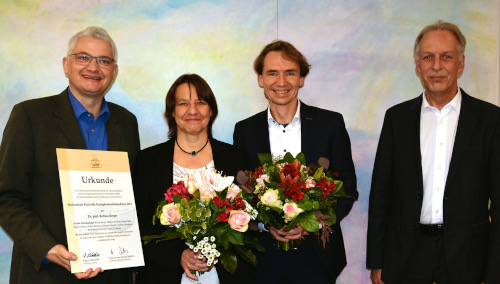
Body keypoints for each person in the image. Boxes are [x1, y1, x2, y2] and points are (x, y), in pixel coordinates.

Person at [0, 27, 140, 283]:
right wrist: (48, 249)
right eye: (83, 57)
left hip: (113, 275)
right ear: (67, 65)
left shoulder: (127, 122)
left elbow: (133, 195)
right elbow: (6, 197)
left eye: (104, 61)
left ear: (114, 71)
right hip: (46, 274)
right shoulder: (29, 116)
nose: (94, 68)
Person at [367, 20, 500, 283]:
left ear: (460, 64)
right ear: (418, 66)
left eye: (446, 57)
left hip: (468, 257)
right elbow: (381, 195)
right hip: (406, 254)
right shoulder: (397, 119)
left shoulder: (490, 120)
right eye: (428, 57)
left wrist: (493, 272)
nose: (436, 66)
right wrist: (377, 260)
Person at [233, 40, 358, 283]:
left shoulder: (330, 124)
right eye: (272, 73)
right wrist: (265, 224)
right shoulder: (245, 130)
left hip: (318, 258)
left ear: (301, 78)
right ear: (260, 79)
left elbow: (347, 188)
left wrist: (313, 222)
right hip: (264, 260)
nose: (281, 82)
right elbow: (240, 192)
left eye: (290, 73)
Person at [132, 74, 254, 284]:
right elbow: (140, 225)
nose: (192, 110)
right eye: (183, 103)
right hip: (163, 274)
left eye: (200, 102)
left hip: (226, 275)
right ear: (172, 111)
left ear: (211, 110)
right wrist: (177, 255)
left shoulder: (236, 158)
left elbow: (250, 219)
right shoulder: (147, 161)